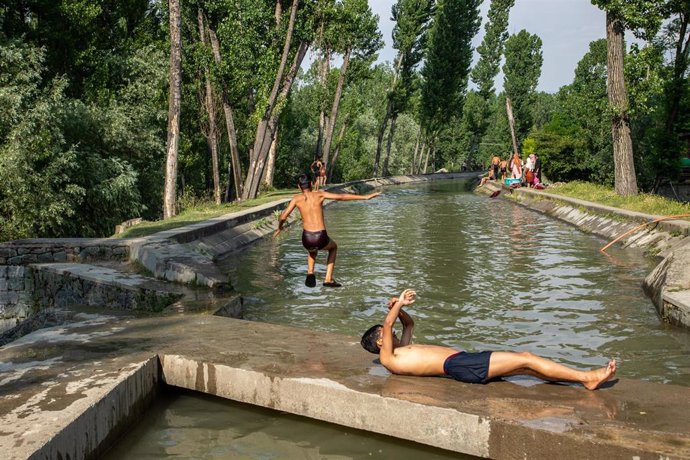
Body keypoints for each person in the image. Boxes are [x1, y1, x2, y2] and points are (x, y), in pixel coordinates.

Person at [360, 288, 617, 390]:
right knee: (526, 358)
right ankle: (587, 377)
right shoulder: (388, 359)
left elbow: (408, 323)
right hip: (461, 366)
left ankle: (584, 379)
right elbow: (388, 322)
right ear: (380, 342)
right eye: (386, 334)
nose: (391, 332)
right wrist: (397, 304)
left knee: (531, 369)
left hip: (463, 362)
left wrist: (400, 308)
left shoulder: (402, 349)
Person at [275, 174, 381, 288]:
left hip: (307, 238)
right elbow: (342, 197)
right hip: (320, 236)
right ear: (312, 184)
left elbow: (283, 216)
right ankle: (328, 279)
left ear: (299, 187)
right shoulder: (319, 194)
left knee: (312, 250)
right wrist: (366, 197)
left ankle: (310, 272)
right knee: (333, 247)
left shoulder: (296, 199)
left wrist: (280, 227)